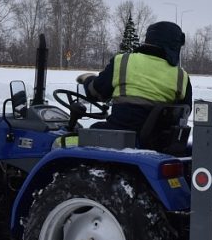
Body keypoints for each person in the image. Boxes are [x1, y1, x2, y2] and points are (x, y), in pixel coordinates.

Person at [76, 21, 192, 149]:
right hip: (157, 142)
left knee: (86, 134)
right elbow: (185, 110)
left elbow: (96, 91)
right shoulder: (181, 76)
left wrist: (87, 79)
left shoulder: (123, 61)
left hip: (120, 137)